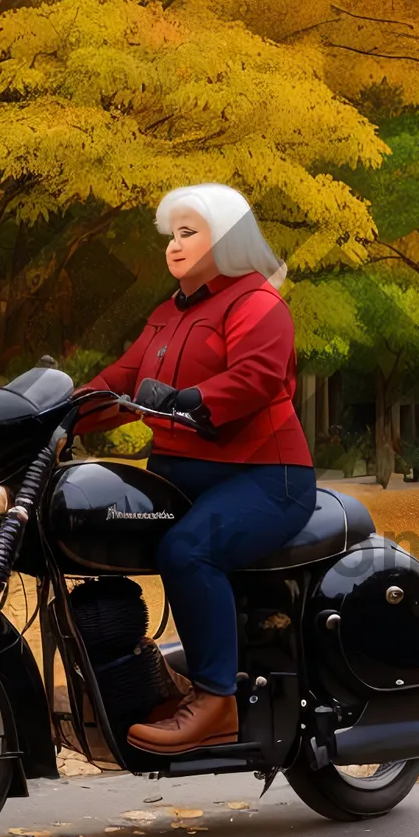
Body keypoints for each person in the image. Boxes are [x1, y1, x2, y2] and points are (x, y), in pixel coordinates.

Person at [77, 183, 315, 754]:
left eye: (190, 233)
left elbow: (257, 376)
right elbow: (122, 379)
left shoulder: (257, 302)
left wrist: (189, 399)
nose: (175, 246)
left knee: (189, 550)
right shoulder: (167, 315)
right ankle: (131, 679)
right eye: (172, 235)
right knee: (94, 530)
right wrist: (61, 412)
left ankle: (217, 701)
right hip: (182, 470)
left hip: (264, 475)